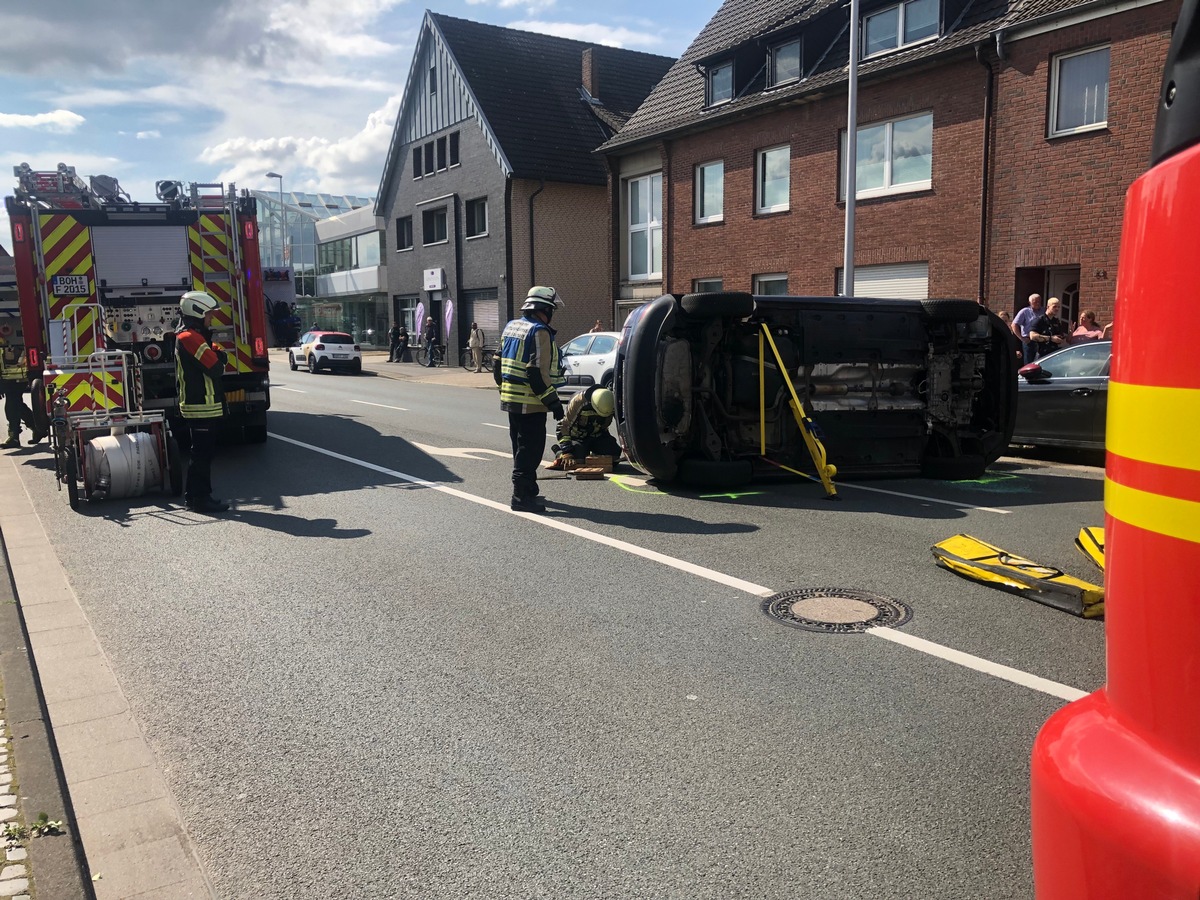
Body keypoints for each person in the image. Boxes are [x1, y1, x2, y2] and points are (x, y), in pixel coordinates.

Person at [494, 286, 566, 513]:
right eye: (551, 310)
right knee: (531, 449)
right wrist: (553, 402)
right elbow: (536, 372)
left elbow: (497, 363)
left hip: (511, 400)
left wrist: (504, 388)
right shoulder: (539, 332)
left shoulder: (511, 327)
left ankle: (529, 488)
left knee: (519, 447)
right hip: (531, 403)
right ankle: (521, 497)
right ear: (544, 309)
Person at [176, 291, 230, 514]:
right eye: (209, 314)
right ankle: (201, 499)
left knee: (199, 454)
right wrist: (220, 357)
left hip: (201, 407)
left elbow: (216, 356)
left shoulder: (192, 337)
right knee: (202, 456)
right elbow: (217, 368)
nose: (211, 318)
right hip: (200, 407)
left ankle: (193, 497)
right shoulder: (190, 339)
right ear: (197, 312)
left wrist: (217, 354)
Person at [546, 386, 619, 470]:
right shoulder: (578, 401)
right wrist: (567, 452)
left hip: (598, 435)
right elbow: (564, 426)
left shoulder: (611, 402)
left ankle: (593, 455)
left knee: (614, 457)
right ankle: (560, 453)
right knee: (577, 460)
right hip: (578, 437)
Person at [1, 335, 44, 449]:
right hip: (11, 376)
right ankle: (36, 427)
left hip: (16, 376)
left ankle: (15, 436)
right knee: (15, 405)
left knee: (12, 405)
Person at [1011, 293, 1044, 363]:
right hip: (1029, 341)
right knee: (1029, 363)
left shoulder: (1043, 311)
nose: (1038, 303)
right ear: (1030, 302)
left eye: (1039, 301)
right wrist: (1021, 338)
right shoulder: (1025, 311)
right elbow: (1014, 325)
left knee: (1041, 362)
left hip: (1041, 340)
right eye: (1035, 302)